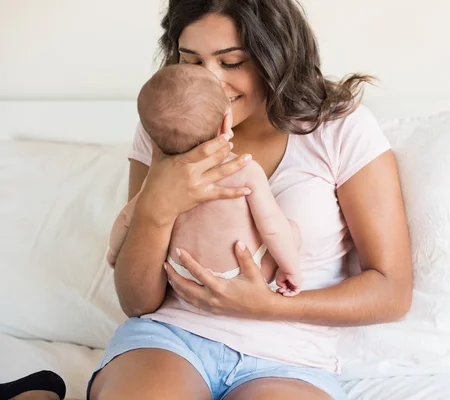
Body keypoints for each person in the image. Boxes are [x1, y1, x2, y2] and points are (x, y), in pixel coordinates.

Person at [89, 0, 413, 399]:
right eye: (191, 61)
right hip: (172, 337)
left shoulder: (341, 129)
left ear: (275, 58)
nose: (209, 81)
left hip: (290, 362)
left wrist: (270, 306)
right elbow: (137, 301)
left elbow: (391, 292)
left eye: (231, 63)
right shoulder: (169, 128)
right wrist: (156, 206)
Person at [107, 63, 303, 295]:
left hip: (182, 272)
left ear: (149, 135)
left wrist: (114, 252)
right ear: (225, 122)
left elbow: (127, 219)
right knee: (291, 228)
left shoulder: (159, 182)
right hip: (241, 273)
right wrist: (290, 270)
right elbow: (272, 227)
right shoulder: (243, 170)